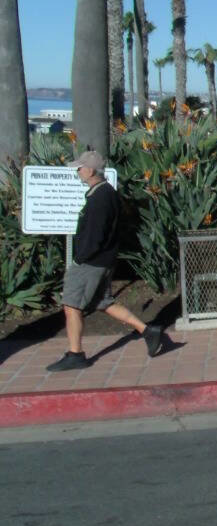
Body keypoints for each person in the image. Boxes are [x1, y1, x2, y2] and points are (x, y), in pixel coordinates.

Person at [45, 151, 167, 371]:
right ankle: (148, 331)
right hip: (104, 259)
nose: (78, 172)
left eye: (80, 168)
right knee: (103, 302)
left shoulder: (100, 198)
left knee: (71, 306)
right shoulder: (106, 193)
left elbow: (95, 234)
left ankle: (76, 354)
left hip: (91, 262)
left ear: (90, 170)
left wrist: (81, 257)